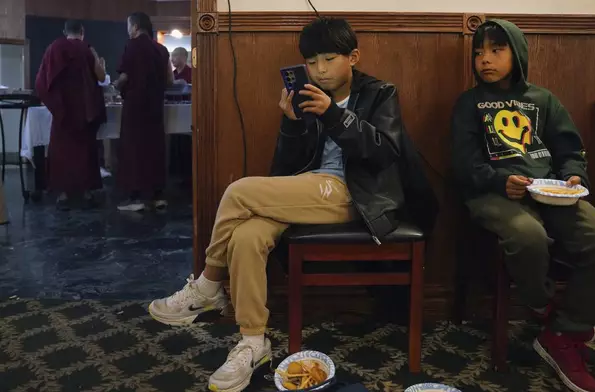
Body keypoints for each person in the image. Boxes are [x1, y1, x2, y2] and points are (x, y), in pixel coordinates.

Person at [149, 17, 437, 392]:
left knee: (238, 192)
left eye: (329, 59)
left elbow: (383, 153)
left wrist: (333, 114)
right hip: (307, 191)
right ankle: (253, 342)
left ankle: (208, 284)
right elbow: (285, 171)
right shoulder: (307, 93)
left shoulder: (381, 93)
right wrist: (291, 124)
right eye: (311, 61)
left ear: (353, 57)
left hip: (355, 195)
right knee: (248, 236)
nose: (319, 69)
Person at [451, 20, 595, 392]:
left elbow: (569, 148)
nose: (485, 59)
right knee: (528, 235)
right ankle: (546, 310)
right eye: (479, 52)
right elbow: (464, 166)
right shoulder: (469, 104)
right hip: (493, 193)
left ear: (518, 53)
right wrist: (500, 181)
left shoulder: (543, 99)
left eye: (496, 50)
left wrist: (574, 175)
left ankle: (565, 331)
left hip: (551, 191)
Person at [35, 19, 106, 210]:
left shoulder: (54, 48)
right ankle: (86, 191)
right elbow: (100, 77)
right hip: (84, 109)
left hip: (63, 111)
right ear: (82, 31)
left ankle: (63, 194)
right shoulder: (87, 49)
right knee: (86, 150)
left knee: (62, 151)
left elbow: (42, 81)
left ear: (65, 32)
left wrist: (55, 106)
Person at [115, 12, 174, 212]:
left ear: (136, 27)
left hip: (135, 106)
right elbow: (169, 80)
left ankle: (135, 197)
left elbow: (125, 76)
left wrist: (115, 85)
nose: (128, 30)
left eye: (128, 25)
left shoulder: (132, 46)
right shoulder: (162, 49)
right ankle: (158, 196)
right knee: (155, 148)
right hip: (155, 106)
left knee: (133, 149)